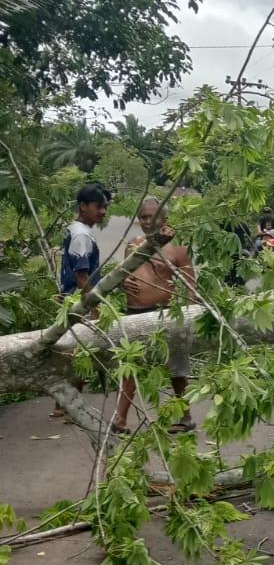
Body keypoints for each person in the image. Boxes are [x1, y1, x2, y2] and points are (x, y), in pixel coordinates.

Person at [111, 198, 198, 434]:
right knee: (130, 365)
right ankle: (119, 419)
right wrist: (123, 283)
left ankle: (185, 416)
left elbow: (190, 282)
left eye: (152, 216)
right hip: (134, 314)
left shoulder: (177, 246)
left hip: (165, 315)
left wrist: (190, 312)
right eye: (143, 217)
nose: (147, 221)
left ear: (164, 218)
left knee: (176, 368)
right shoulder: (133, 244)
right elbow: (120, 275)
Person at [51, 183, 108, 418]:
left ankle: (64, 406)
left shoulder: (75, 230)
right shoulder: (82, 234)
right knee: (80, 353)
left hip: (70, 299)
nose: (103, 212)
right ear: (83, 206)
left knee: (73, 352)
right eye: (98, 206)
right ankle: (69, 407)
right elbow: (80, 274)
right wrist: (93, 305)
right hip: (79, 303)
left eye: (105, 207)